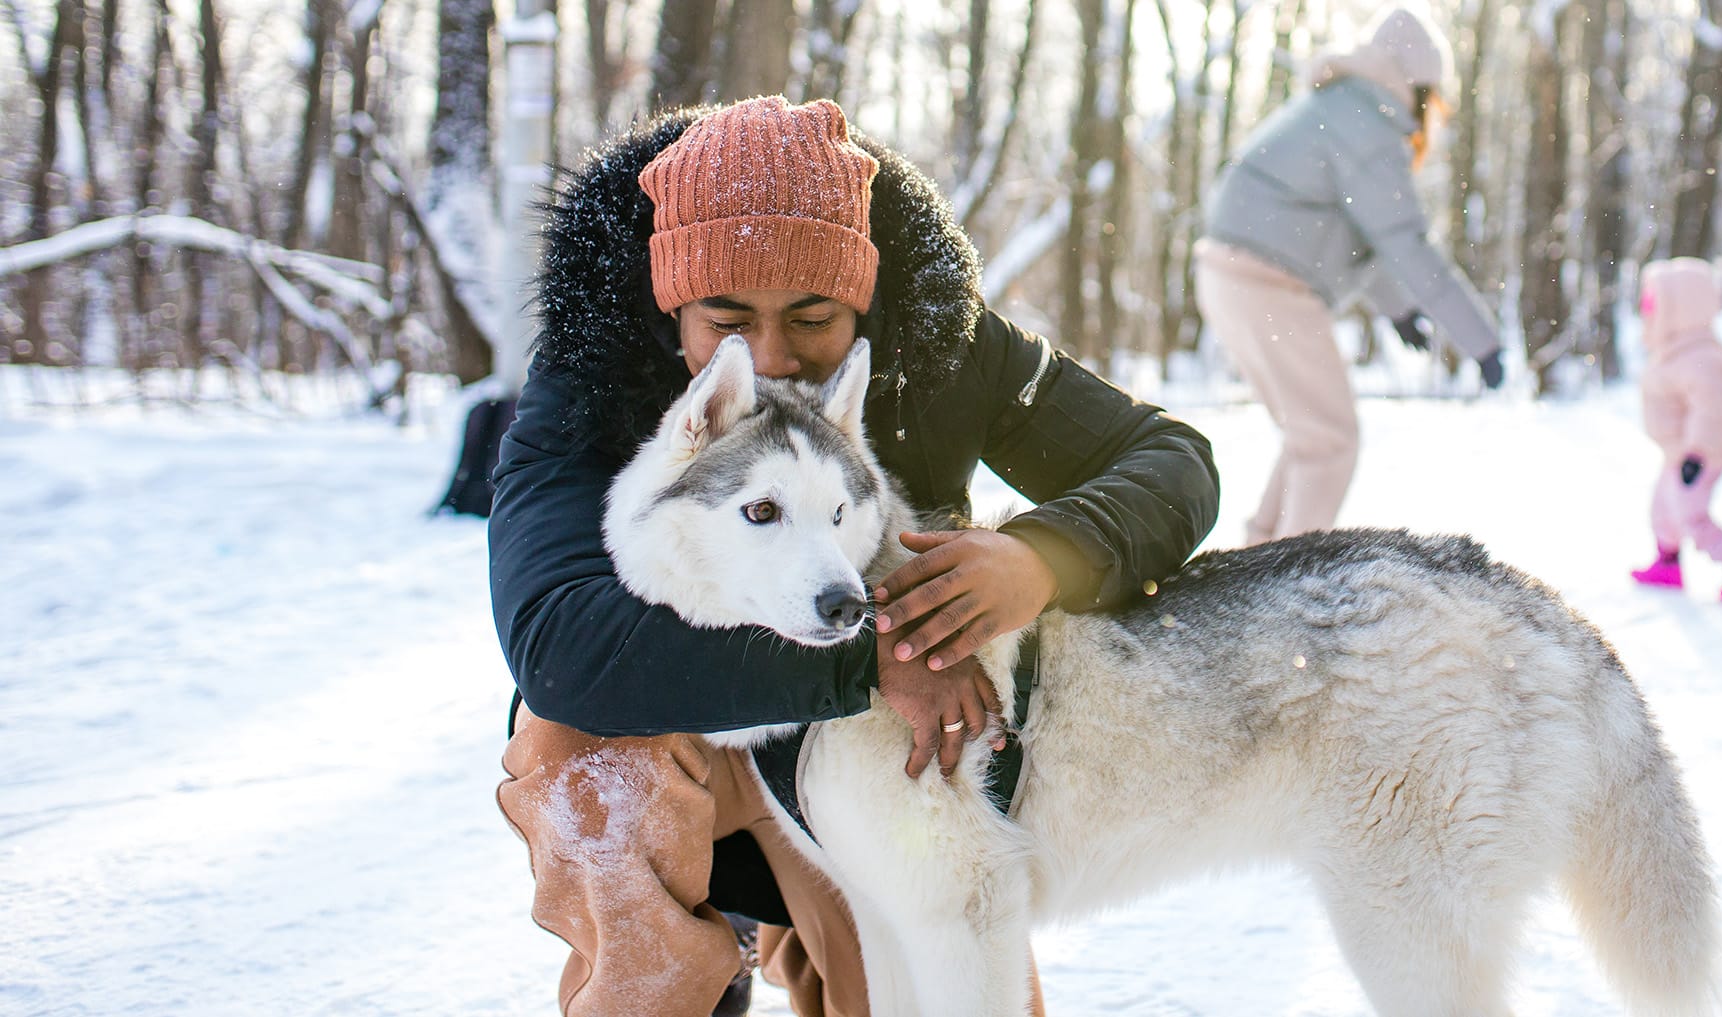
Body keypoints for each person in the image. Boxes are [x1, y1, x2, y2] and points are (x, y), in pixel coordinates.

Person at [486, 96, 1219, 1017]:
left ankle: (804, 933)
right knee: (577, 757)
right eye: (726, 319)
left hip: (874, 756)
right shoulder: (586, 381)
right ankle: (668, 985)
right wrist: (879, 655)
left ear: (864, 300)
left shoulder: (940, 348)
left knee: (938, 976)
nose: (774, 356)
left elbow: (1171, 461)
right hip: (690, 735)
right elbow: (558, 644)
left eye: (812, 317)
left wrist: (1040, 556)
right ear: (672, 308)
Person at [1193, 5, 1506, 547]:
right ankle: (1281, 601)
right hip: (1268, 286)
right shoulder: (1368, 123)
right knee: (1330, 441)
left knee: (1308, 437)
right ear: (1419, 83)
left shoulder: (1339, 107)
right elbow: (1405, 244)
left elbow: (1355, 241)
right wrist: (1482, 342)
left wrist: (1400, 310)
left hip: (1229, 277)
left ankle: (1254, 568)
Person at [1627, 257, 1722, 602]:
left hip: (1699, 453)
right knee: (1663, 507)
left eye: (1653, 302)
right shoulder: (1674, 350)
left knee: (1689, 514)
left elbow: (1714, 410)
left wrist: (1697, 453)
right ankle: (1668, 565)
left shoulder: (1701, 356)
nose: (1648, 309)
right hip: (1679, 451)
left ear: (1680, 308)